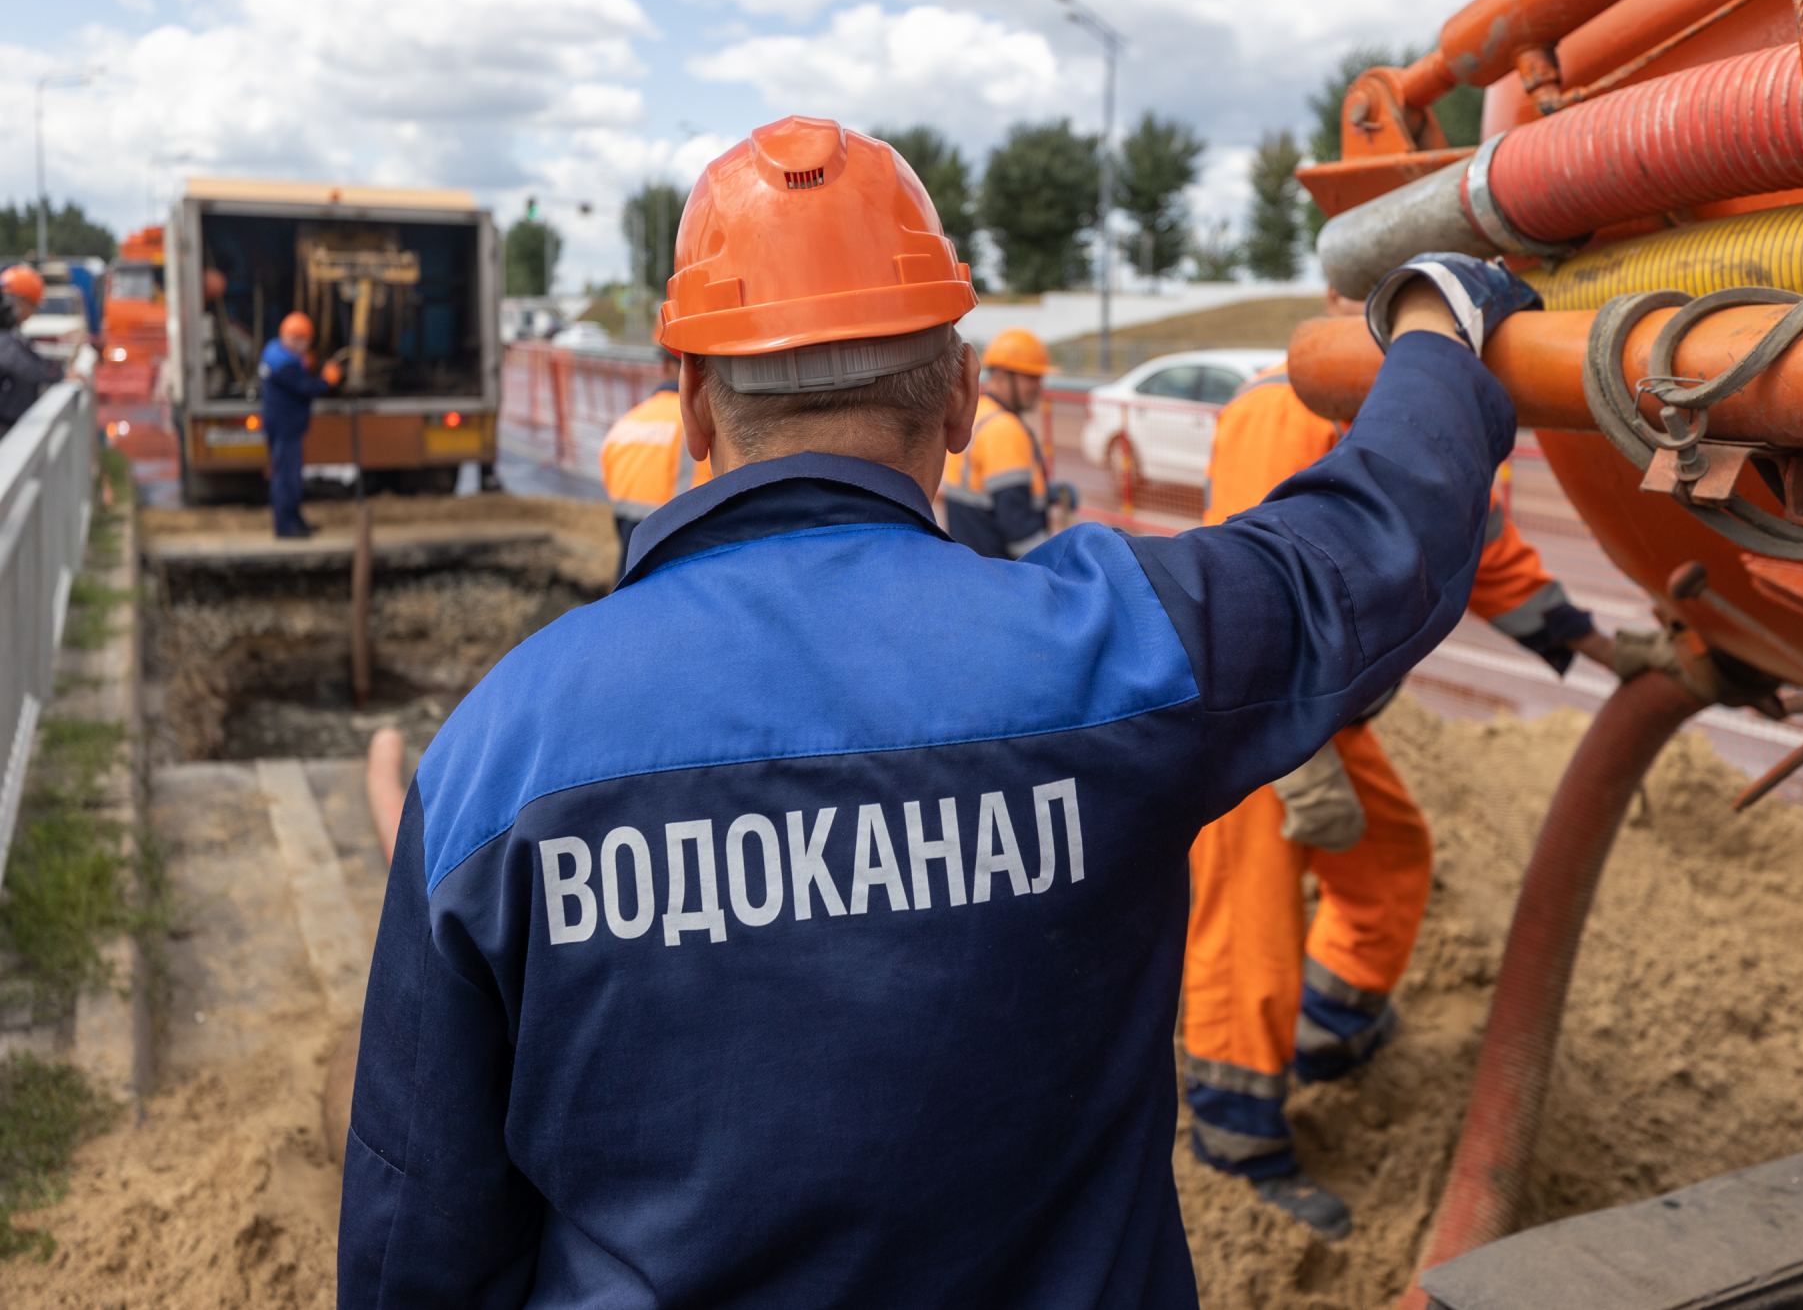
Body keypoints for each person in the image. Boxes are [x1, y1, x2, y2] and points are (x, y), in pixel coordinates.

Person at [337, 115, 1535, 1309]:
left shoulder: (499, 751)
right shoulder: (1114, 650)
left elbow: (410, 1243)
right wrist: (1436, 323)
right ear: (963, 397)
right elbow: (1363, 550)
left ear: (692, 403)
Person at [1180, 340, 1619, 1239]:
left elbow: (1483, 549)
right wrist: (1291, 757)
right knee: (1252, 920)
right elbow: (1242, 588)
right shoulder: (1289, 403)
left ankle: (1330, 1031)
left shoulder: (1437, 412)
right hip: (1248, 720)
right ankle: (1237, 1134)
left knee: (1389, 866)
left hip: (1328, 718)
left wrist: (1602, 646)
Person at [940, 328, 1071, 558]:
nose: (1039, 386)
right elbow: (1020, 532)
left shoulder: (980, 413)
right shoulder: (1004, 429)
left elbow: (992, 493)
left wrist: (1047, 494)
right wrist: (1054, 567)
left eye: (1039, 377)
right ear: (1001, 376)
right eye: (1030, 377)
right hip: (1004, 569)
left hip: (975, 563)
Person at [598, 346, 711, 569]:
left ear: (664, 365)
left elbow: (608, 475)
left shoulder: (627, 422)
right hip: (686, 554)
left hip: (630, 555)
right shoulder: (706, 421)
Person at [258, 311, 341, 538]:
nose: (306, 347)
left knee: (287, 476)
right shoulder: (286, 364)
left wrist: (301, 364)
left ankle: (295, 521)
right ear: (295, 339)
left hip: (278, 423)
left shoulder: (273, 350)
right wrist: (327, 380)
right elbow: (304, 389)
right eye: (304, 341)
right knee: (287, 478)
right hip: (286, 426)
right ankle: (286, 527)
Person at [0, 265, 63, 436]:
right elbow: (23, 366)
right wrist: (60, 375)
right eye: (33, 306)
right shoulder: (4, 336)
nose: (33, 313)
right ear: (17, 302)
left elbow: (32, 359)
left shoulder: (12, 333)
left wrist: (58, 370)